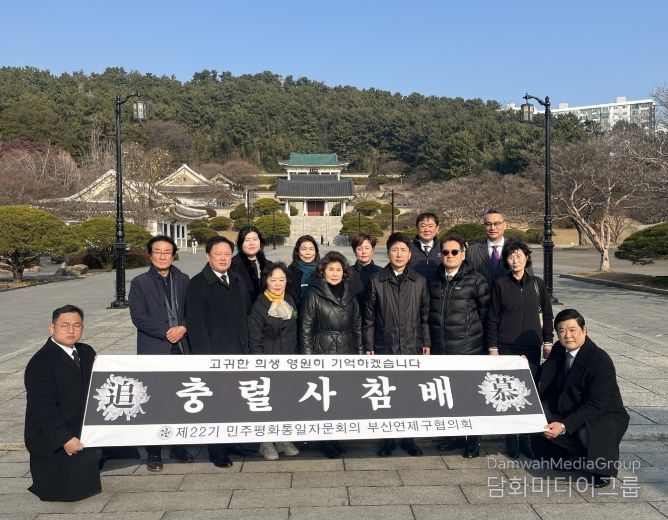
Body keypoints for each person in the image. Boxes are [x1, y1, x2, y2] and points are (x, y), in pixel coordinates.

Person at [536, 309, 630, 488]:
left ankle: (601, 470)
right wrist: (523, 366)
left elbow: (596, 404)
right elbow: (545, 372)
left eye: (572, 330)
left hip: (603, 413)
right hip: (571, 404)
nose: (567, 336)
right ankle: (578, 456)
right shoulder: (559, 349)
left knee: (586, 431)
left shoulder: (600, 360)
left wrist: (564, 426)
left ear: (584, 330)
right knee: (539, 416)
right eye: (562, 331)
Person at [128, 235, 193, 472]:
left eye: (167, 252)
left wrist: (183, 327)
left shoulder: (183, 280)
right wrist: (166, 332)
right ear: (150, 254)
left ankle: (177, 445)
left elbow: (192, 310)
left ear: (173, 254)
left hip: (181, 348)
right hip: (155, 347)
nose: (162, 256)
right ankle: (153, 451)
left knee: (178, 399)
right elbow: (138, 316)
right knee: (154, 401)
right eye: (158, 251)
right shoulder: (140, 283)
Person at [186, 236, 251, 468]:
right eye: (218, 254)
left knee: (235, 401)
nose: (223, 258)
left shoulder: (237, 280)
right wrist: (206, 360)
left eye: (227, 254)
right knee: (217, 403)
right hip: (215, 355)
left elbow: (246, 315)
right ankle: (216, 450)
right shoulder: (198, 284)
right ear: (208, 256)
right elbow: (196, 326)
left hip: (239, 353)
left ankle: (233, 442)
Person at [24, 305, 101, 501]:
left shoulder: (86, 351)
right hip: (52, 436)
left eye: (77, 325)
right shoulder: (40, 363)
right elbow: (43, 410)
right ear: (52, 328)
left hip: (79, 425)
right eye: (64, 325)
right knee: (69, 491)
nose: (71, 330)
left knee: (87, 482)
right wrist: (64, 440)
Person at [364, 232, 430, 457]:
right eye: (394, 250)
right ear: (388, 253)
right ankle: (388, 439)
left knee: (410, 393)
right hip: (385, 345)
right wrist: (369, 345)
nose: (399, 254)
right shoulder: (377, 280)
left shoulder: (419, 281)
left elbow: (424, 316)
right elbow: (369, 318)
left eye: (403, 250)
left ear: (410, 254)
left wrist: (426, 342)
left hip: (412, 345)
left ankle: (409, 438)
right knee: (387, 393)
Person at [486, 239, 553, 459]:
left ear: (526, 258)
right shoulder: (500, 284)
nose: (515, 260)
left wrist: (548, 341)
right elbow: (492, 318)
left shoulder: (537, 284)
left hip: (532, 345)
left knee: (529, 392)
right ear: (506, 260)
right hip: (507, 345)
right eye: (510, 256)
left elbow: (548, 315)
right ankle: (511, 438)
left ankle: (526, 438)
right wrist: (493, 347)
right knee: (508, 392)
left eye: (519, 256)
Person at [428, 235, 490, 458]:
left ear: (463, 254)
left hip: (467, 349)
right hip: (441, 349)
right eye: (445, 252)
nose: (450, 256)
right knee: (448, 396)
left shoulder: (476, 280)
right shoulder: (434, 280)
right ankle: (453, 436)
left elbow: (485, 315)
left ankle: (472, 441)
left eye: (455, 252)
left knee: (469, 397)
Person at [300, 251, 362, 459]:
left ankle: (337, 436)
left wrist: (360, 354)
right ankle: (325, 440)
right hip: (322, 350)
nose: (334, 274)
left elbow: (357, 326)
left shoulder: (350, 295)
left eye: (338, 270)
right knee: (324, 399)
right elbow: (306, 329)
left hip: (347, 349)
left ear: (344, 273)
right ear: (322, 271)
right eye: (330, 269)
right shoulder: (313, 294)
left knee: (341, 398)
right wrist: (308, 360)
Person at [248, 263, 301, 461]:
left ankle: (283, 439)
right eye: (273, 280)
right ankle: (266, 442)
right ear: (266, 281)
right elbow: (255, 339)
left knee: (285, 401)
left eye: (281, 279)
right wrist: (260, 365)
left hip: (289, 360)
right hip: (268, 362)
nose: (278, 284)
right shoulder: (259, 305)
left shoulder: (289, 300)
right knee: (268, 403)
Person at [465, 208, 532, 287]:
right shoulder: (472, 251)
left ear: (504, 225)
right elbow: (466, 281)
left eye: (497, 223)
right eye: (488, 224)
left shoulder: (519, 249)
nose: (492, 228)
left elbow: (529, 279)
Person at [230, 225, 273, 302]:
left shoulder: (269, 265)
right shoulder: (232, 265)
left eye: (255, 239)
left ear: (260, 241)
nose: (252, 243)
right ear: (240, 243)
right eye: (247, 240)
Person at [347, 232, 382, 312]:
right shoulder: (347, 273)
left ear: (373, 249)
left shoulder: (381, 272)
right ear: (354, 251)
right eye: (359, 249)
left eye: (367, 248)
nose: (364, 252)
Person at [286, 234, 320, 310]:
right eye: (303, 249)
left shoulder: (323, 271)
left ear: (316, 251)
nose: (308, 253)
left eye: (311, 249)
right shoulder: (290, 272)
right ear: (297, 251)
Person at [409, 212, 442, 282]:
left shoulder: (444, 248)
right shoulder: (408, 248)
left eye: (430, 226)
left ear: (437, 228)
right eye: (423, 226)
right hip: (413, 287)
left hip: (438, 288)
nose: (427, 230)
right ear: (417, 228)